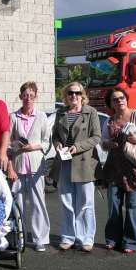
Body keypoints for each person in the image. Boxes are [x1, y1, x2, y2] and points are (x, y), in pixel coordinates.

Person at [101, 87, 136, 254]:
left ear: (126, 99)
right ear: (110, 103)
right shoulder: (109, 121)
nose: (119, 101)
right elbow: (103, 142)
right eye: (115, 99)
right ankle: (112, 239)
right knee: (114, 207)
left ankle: (130, 242)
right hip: (114, 168)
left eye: (122, 97)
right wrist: (108, 144)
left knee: (133, 206)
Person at [51, 82, 101, 252]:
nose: (74, 96)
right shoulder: (61, 113)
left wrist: (77, 147)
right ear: (66, 95)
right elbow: (55, 135)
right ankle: (68, 237)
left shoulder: (90, 112)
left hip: (85, 163)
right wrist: (57, 144)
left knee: (85, 203)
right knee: (66, 203)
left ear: (82, 95)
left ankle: (86, 238)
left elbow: (96, 137)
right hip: (64, 162)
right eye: (71, 93)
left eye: (77, 93)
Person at [7, 82, 51, 252]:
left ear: (36, 97)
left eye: (31, 96)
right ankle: (20, 237)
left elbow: (47, 142)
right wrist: (14, 144)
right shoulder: (13, 117)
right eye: (25, 95)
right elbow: (6, 142)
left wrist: (34, 146)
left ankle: (40, 238)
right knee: (18, 203)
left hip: (35, 165)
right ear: (20, 97)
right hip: (18, 165)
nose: (28, 99)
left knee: (38, 202)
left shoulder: (41, 117)